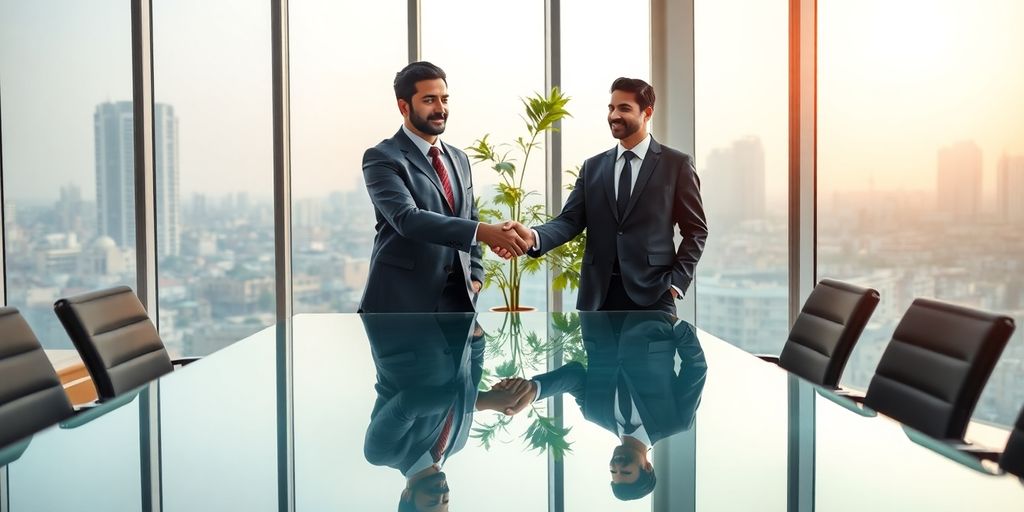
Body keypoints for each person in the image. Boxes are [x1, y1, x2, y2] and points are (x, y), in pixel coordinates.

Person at [500, 78, 708, 314]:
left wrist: (676, 283)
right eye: (611, 108)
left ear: (647, 113)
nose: (614, 115)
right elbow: (570, 220)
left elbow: (696, 230)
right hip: (597, 298)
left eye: (624, 108)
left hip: (654, 295)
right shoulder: (593, 167)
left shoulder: (676, 164)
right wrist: (534, 236)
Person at [360, 61, 529, 313]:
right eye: (429, 100)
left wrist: (476, 275)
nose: (441, 109)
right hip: (400, 305)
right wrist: (485, 232)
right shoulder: (381, 157)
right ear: (404, 106)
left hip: (459, 304)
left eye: (444, 99)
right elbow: (407, 219)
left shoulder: (458, 158)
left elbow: (469, 216)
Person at [494, 311, 707, 501]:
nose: (617, 468)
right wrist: (677, 326)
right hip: (651, 310)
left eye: (614, 474)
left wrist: (535, 389)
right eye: (626, 473)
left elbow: (575, 375)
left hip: (597, 305)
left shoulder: (593, 413)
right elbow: (696, 368)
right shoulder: (676, 421)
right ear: (647, 467)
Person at [362, 313, 530, 511]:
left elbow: (406, 406)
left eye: (432, 502)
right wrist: (477, 340)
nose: (442, 495)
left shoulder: (381, 453)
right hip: (460, 316)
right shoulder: (458, 443)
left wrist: (473, 402)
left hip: (403, 319)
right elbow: (471, 379)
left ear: (407, 496)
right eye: (446, 502)